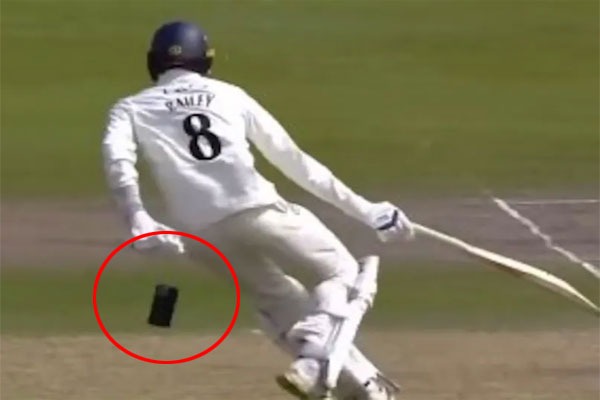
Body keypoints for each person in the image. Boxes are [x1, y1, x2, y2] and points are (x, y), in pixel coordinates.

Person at [101, 20, 414, 400]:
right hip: (256, 208)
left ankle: (359, 386)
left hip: (199, 235)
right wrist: (366, 210)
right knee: (344, 272)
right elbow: (294, 161)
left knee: (278, 298)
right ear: (206, 60)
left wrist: (137, 217)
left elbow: (118, 161)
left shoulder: (130, 108)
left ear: (154, 62)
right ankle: (313, 358)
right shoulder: (229, 95)